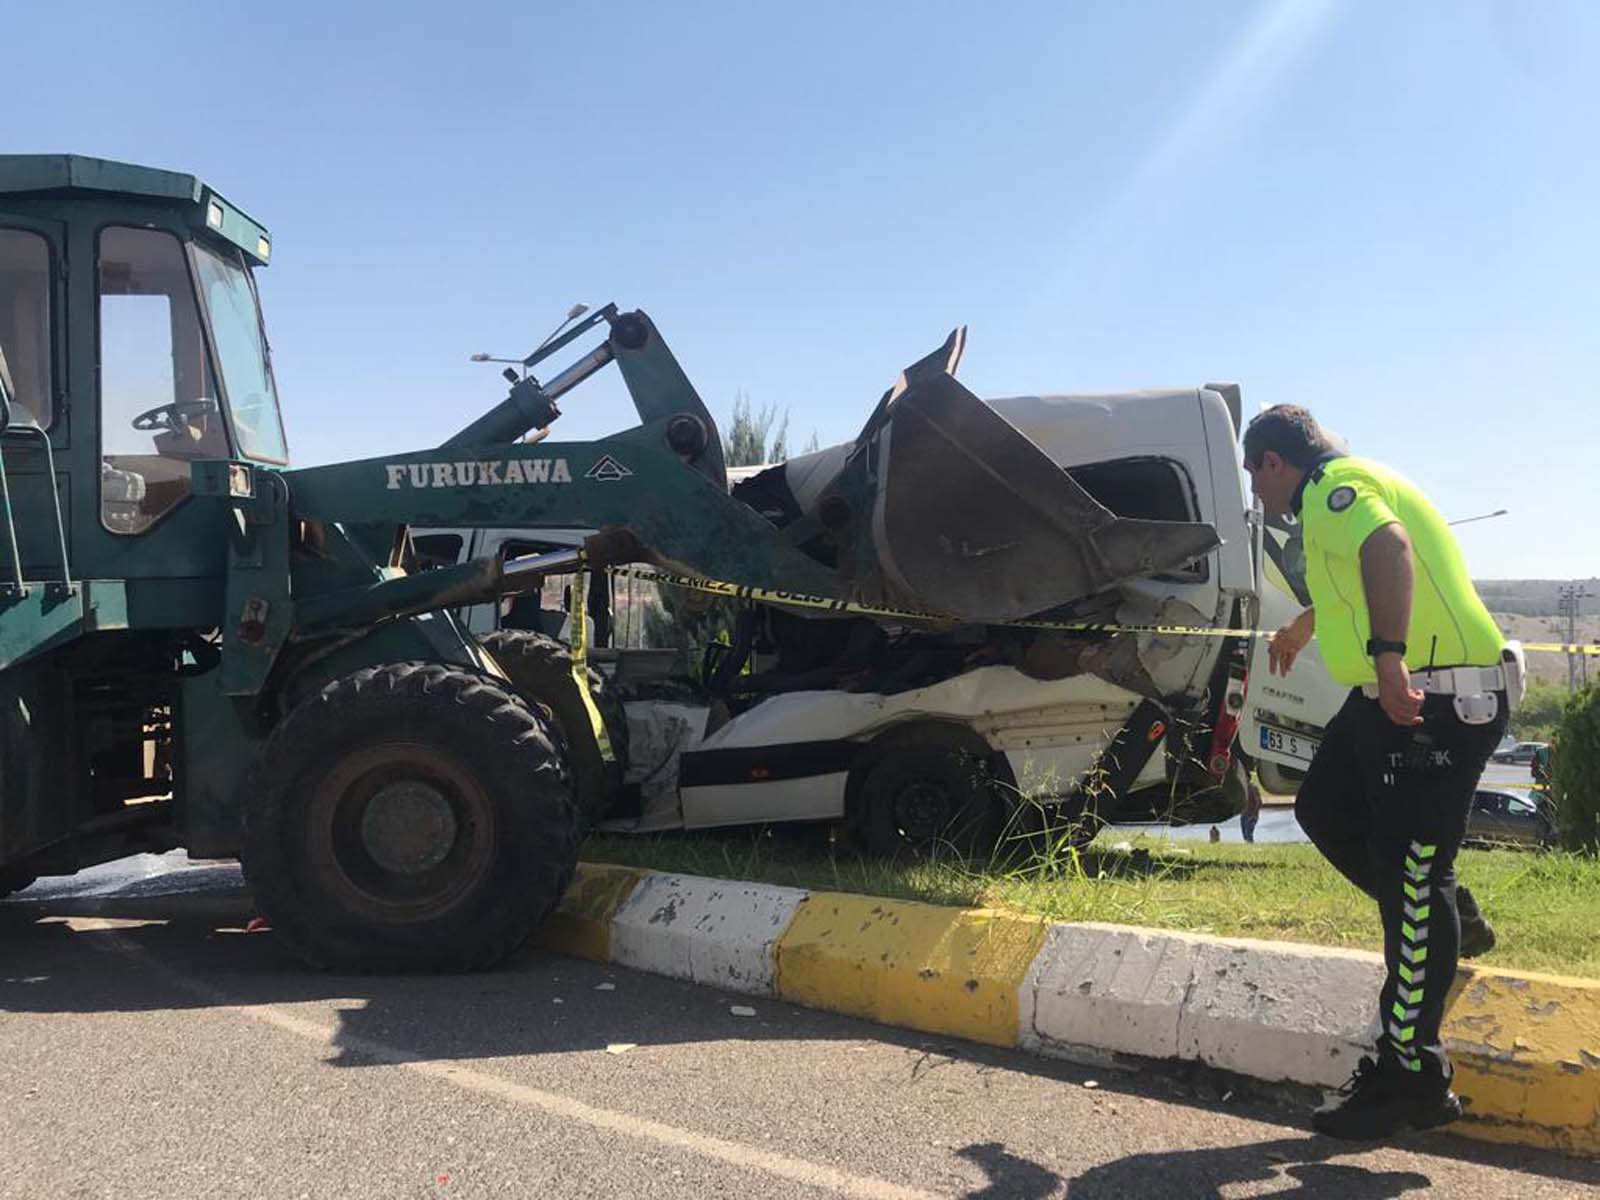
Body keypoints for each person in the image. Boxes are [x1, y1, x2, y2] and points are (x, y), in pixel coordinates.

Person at [1242, 405, 1511, 1141]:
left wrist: (1389, 657)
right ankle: (1452, 921)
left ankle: (1411, 1077)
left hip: (1435, 697)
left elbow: (1387, 547)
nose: (1255, 491)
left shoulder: (1334, 493)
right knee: (1323, 808)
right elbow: (1351, 582)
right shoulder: (1338, 494)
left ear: (1274, 462)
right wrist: (1305, 625)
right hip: (1388, 699)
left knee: (1413, 874)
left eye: (1253, 474)